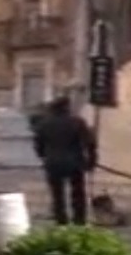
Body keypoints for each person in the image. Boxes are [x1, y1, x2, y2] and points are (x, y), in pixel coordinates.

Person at [32, 96, 97, 225]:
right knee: (78, 193)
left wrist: (44, 156)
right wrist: (91, 160)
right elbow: (89, 143)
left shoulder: (44, 124)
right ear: (67, 107)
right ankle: (79, 220)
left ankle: (61, 220)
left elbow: (38, 145)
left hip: (53, 162)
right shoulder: (77, 122)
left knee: (57, 194)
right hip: (74, 162)